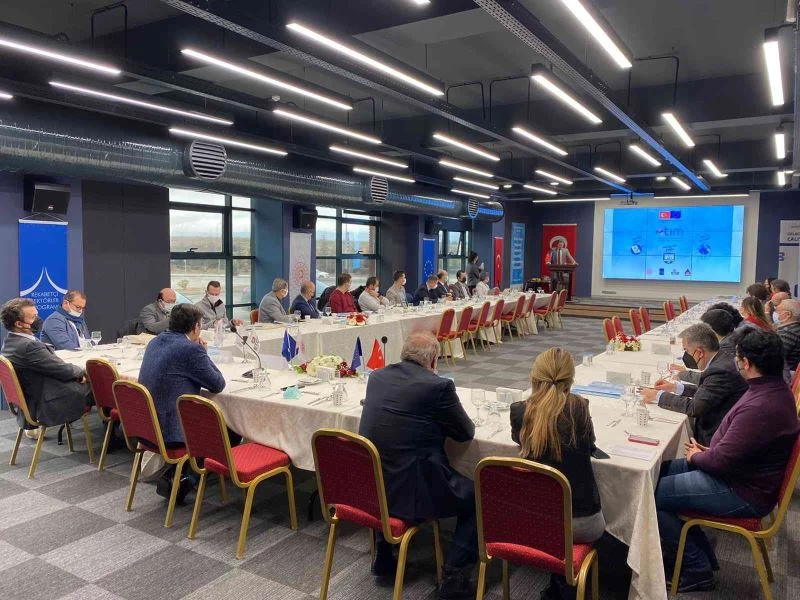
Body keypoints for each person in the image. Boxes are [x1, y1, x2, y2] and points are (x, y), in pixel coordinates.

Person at [655, 329, 799, 593]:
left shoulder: (761, 406)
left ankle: (696, 568)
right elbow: (737, 447)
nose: (734, 362)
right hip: (739, 472)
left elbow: (721, 461)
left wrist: (700, 456)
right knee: (658, 473)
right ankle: (701, 554)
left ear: (746, 363)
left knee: (651, 495)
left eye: (737, 357)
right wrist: (708, 452)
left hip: (741, 489)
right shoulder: (770, 388)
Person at [359, 331, 476, 599]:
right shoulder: (439, 387)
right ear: (433, 361)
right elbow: (465, 433)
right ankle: (454, 576)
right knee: (478, 496)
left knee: (389, 458)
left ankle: (384, 556)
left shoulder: (376, 377)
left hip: (373, 488)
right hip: (413, 490)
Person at [510, 347, 604, 600]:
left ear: (534, 377)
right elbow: (590, 445)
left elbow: (520, 441)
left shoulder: (519, 410)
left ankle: (559, 583)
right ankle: (568, 583)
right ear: (571, 380)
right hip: (582, 524)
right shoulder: (579, 408)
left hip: (533, 518)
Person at [138, 304, 226, 502]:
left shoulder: (155, 341)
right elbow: (218, 384)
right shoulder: (190, 349)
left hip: (147, 426)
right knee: (225, 426)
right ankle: (185, 478)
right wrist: (203, 352)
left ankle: (183, 472)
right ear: (195, 327)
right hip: (171, 431)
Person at [642, 322, 747, 446]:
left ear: (699, 352)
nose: (686, 355)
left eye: (686, 350)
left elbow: (694, 408)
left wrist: (658, 395)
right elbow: (708, 392)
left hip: (715, 438)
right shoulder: (722, 358)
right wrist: (675, 387)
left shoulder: (719, 370)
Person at [1, 298, 92, 438]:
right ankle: (114, 433)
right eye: (33, 317)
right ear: (19, 324)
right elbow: (64, 371)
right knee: (104, 388)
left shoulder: (10, 341)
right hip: (48, 400)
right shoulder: (30, 346)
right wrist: (81, 373)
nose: (38, 319)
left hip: (32, 398)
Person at [775, 298, 800, 374]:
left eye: (778, 311)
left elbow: (775, 356)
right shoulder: (795, 328)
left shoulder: (787, 333)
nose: (776, 314)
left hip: (789, 373)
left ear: (788, 314)